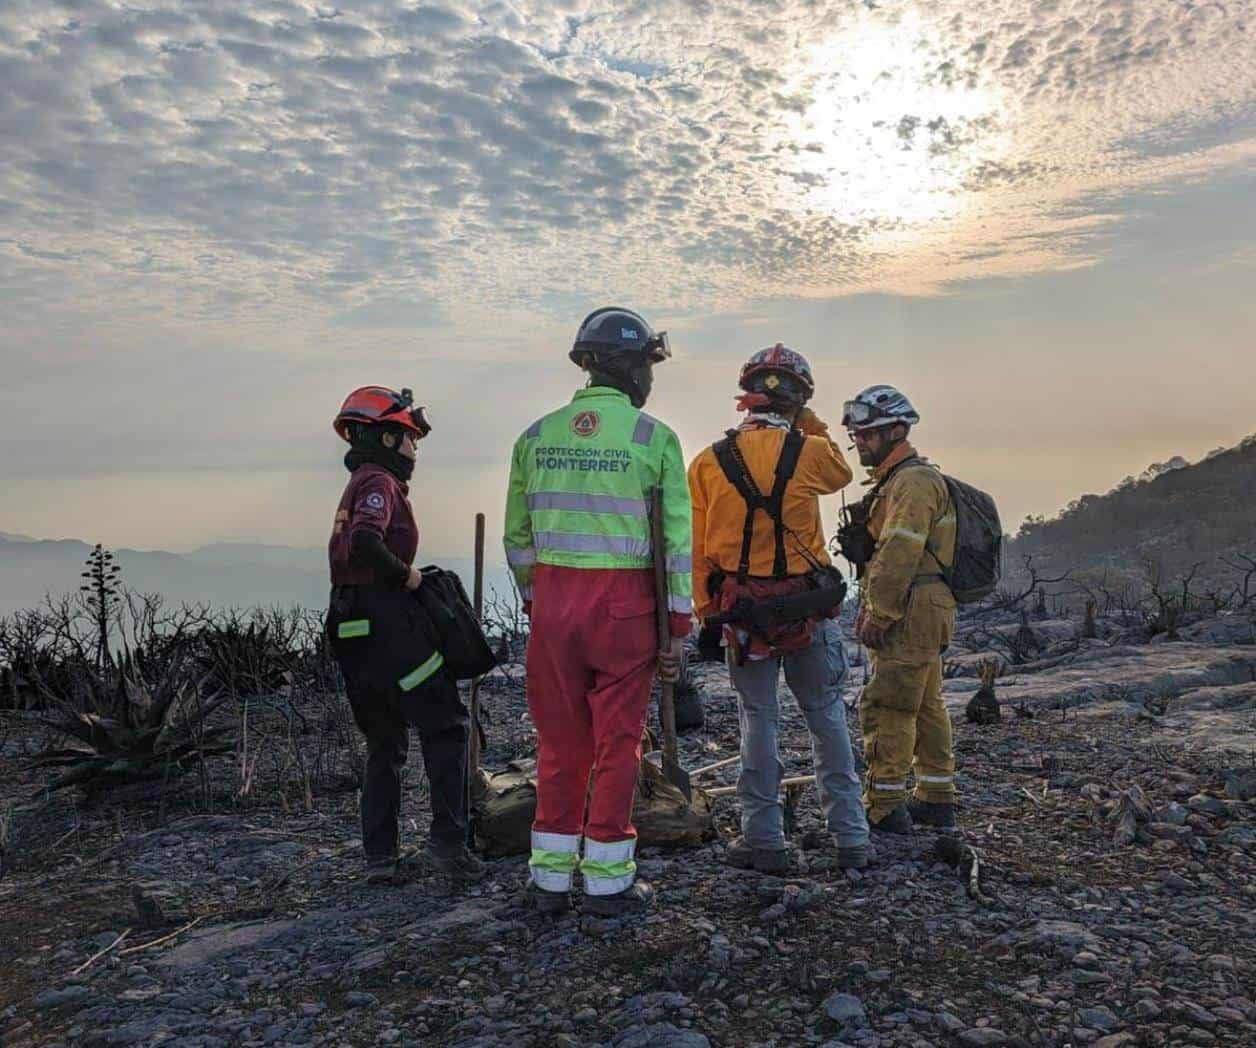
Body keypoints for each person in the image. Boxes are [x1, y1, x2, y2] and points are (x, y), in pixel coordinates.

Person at [504, 307, 692, 917]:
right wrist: (678, 625)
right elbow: (676, 545)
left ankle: (550, 879)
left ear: (586, 366)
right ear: (636, 370)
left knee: (558, 745)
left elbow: (517, 539)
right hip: (626, 610)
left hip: (554, 609)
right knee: (618, 745)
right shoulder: (652, 439)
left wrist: (538, 600)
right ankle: (609, 881)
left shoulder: (534, 436)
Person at [688, 344, 871, 872]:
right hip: (806, 608)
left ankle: (763, 839)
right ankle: (851, 837)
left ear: (745, 401)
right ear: (800, 401)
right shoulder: (811, 451)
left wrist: (705, 613)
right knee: (826, 717)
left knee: (757, 721)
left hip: (743, 614)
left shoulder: (706, 462)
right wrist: (808, 421)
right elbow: (840, 472)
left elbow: (699, 549)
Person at [326, 386, 484, 884]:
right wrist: (412, 580)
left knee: (385, 741)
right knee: (446, 725)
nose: (415, 451)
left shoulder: (356, 483)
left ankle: (380, 859)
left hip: (351, 626)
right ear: (389, 437)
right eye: (411, 439)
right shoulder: (379, 483)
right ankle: (449, 847)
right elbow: (367, 542)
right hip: (390, 622)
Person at [841, 385, 958, 834]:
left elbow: (899, 551)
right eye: (858, 436)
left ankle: (885, 807)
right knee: (926, 703)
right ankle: (935, 796)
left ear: (897, 431)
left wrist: (879, 611)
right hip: (926, 604)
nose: (861, 444)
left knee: (889, 704)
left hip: (911, 606)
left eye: (869, 435)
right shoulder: (904, 480)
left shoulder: (912, 482)